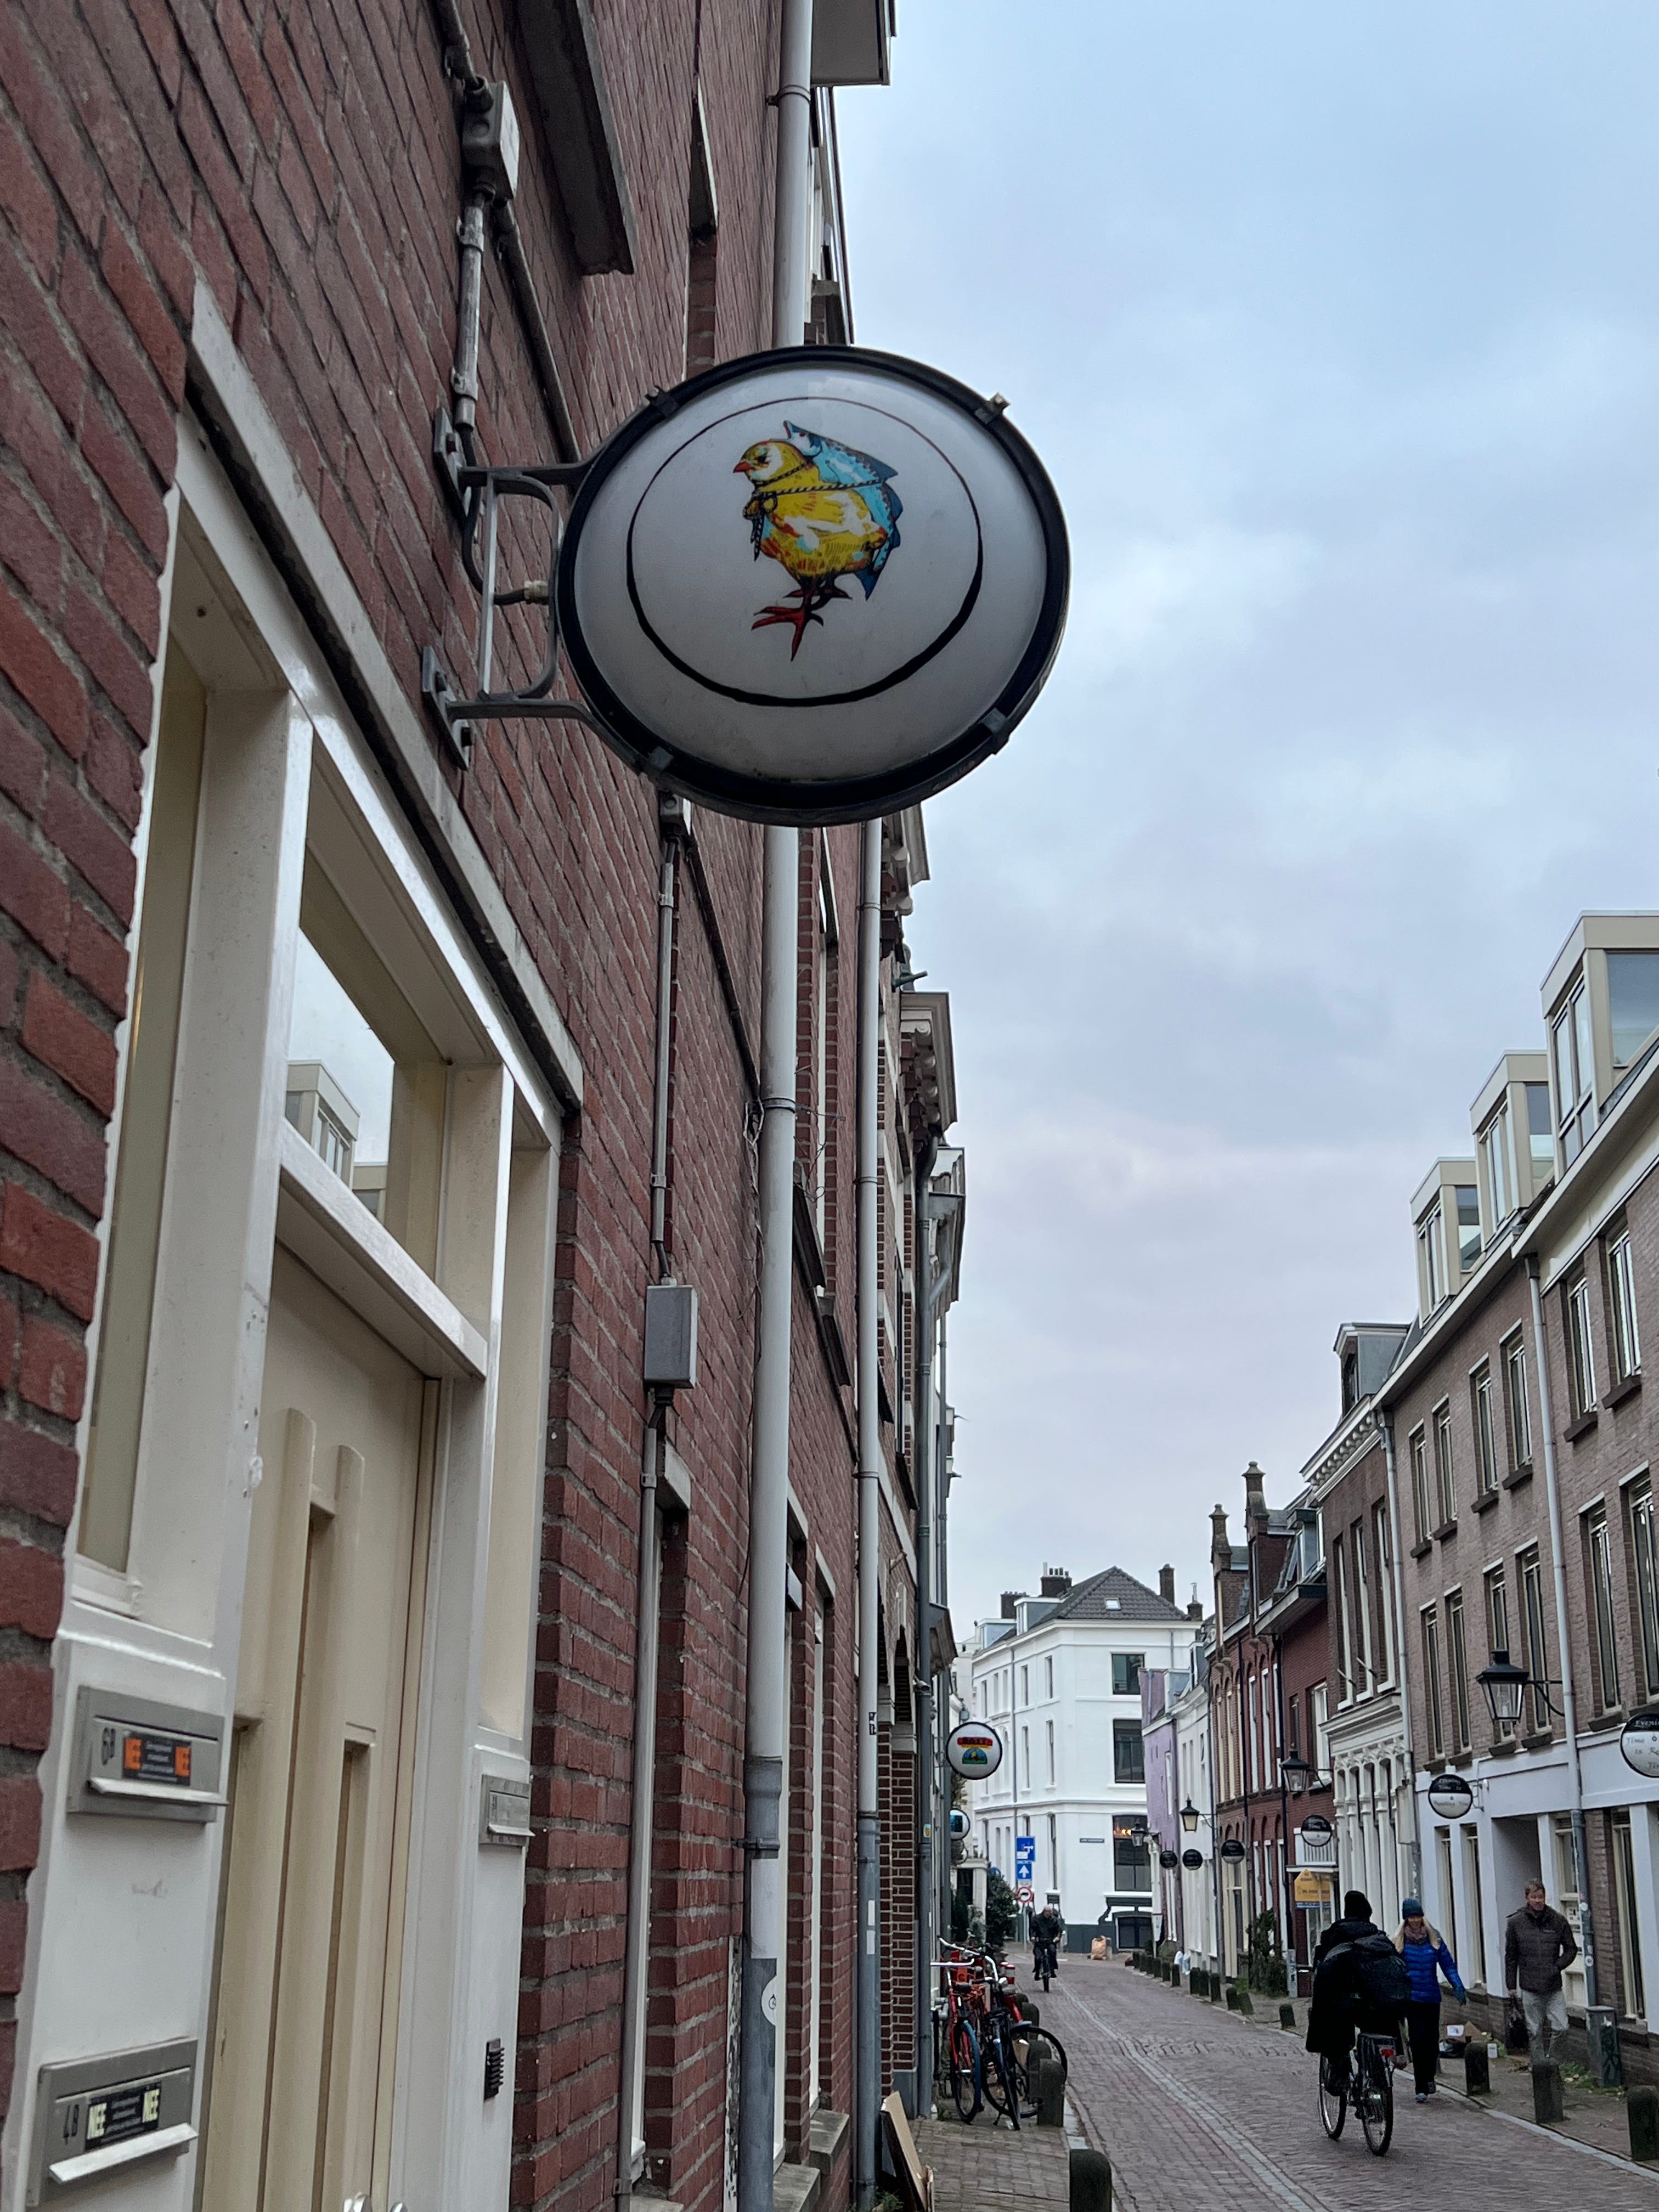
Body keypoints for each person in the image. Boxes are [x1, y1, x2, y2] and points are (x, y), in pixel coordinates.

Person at [1306, 1891, 1407, 2095]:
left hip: (1344, 2003)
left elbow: (1321, 1970)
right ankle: (1379, 2069)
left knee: (1336, 2030)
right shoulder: (1378, 1937)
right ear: (1368, 1914)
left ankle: (1340, 2075)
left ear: (1346, 1912)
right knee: (1377, 2025)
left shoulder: (1333, 1935)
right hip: (1374, 2002)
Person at [1394, 1899, 1466, 2102]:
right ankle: (1421, 2086)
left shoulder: (1434, 1938)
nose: (1415, 1920)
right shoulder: (1399, 1942)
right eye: (1411, 1917)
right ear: (1406, 1918)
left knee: (1432, 2041)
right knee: (1418, 2041)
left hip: (1432, 1997)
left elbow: (1448, 1965)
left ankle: (1429, 2077)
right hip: (1412, 1999)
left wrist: (1458, 1985)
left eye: (1418, 1916)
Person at [1504, 1880, 1577, 2063]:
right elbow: (1511, 1956)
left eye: (1541, 1897)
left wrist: (1557, 1966)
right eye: (1534, 1897)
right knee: (1534, 2031)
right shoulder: (1515, 1923)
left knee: (1562, 2027)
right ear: (1527, 1898)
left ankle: (1552, 2063)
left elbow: (1571, 1949)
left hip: (1553, 1985)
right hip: (1530, 1985)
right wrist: (1511, 1986)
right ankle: (1538, 2069)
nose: (1538, 1901)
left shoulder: (1558, 1921)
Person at [1030, 1903, 1062, 1981]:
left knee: (1053, 1952)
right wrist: (1033, 1937)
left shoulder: (1054, 1920)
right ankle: (1037, 1972)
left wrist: (1057, 1937)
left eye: (1049, 1912)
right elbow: (1032, 1929)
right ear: (1044, 1912)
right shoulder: (1037, 1919)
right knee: (1038, 1957)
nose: (1048, 1913)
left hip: (1050, 1941)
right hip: (1040, 1941)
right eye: (1046, 1912)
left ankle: (1052, 1970)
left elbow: (1059, 1930)